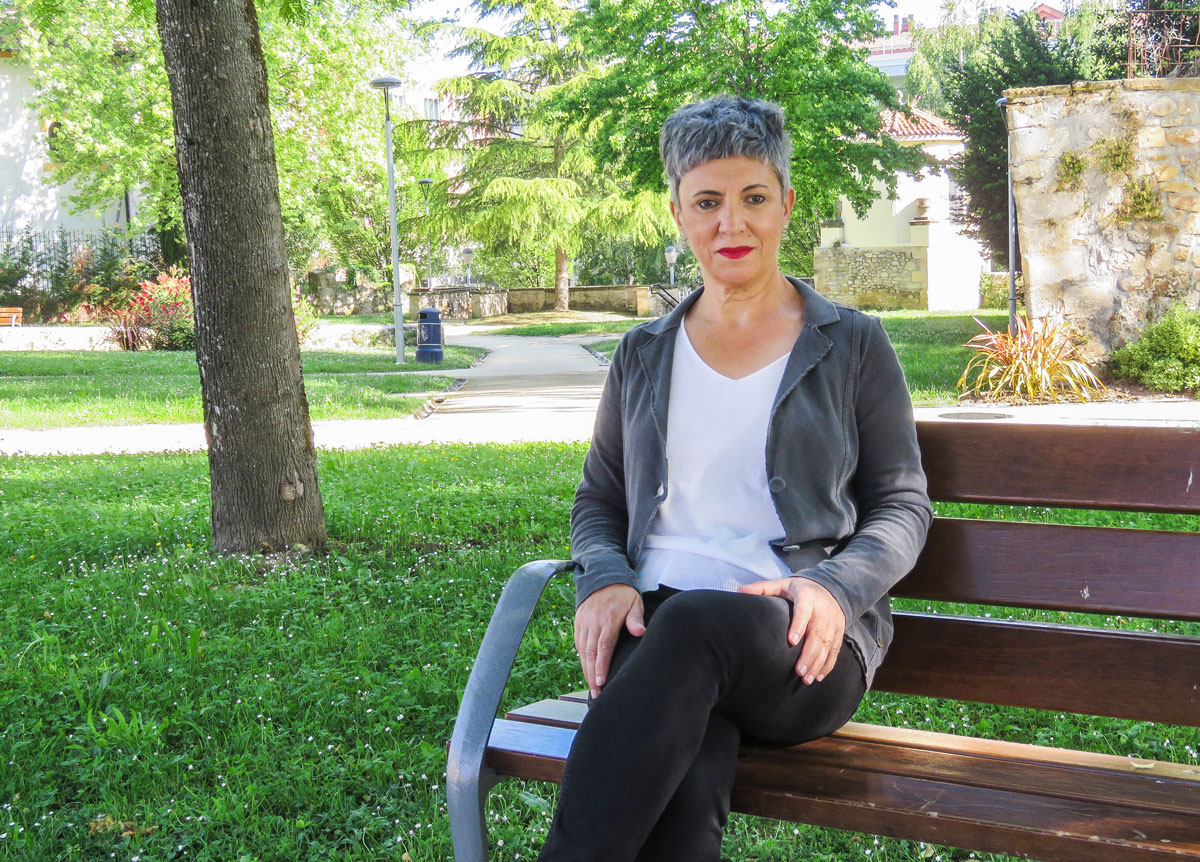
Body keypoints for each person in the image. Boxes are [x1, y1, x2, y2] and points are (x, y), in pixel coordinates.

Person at [538, 95, 932, 862]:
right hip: (655, 631)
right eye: (707, 202)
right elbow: (600, 497)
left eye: (753, 198)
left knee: (690, 631)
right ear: (678, 213)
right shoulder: (642, 353)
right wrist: (605, 576)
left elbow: (903, 504)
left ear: (786, 204)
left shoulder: (852, 345)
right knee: (686, 773)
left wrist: (835, 588)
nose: (732, 223)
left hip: (798, 641)